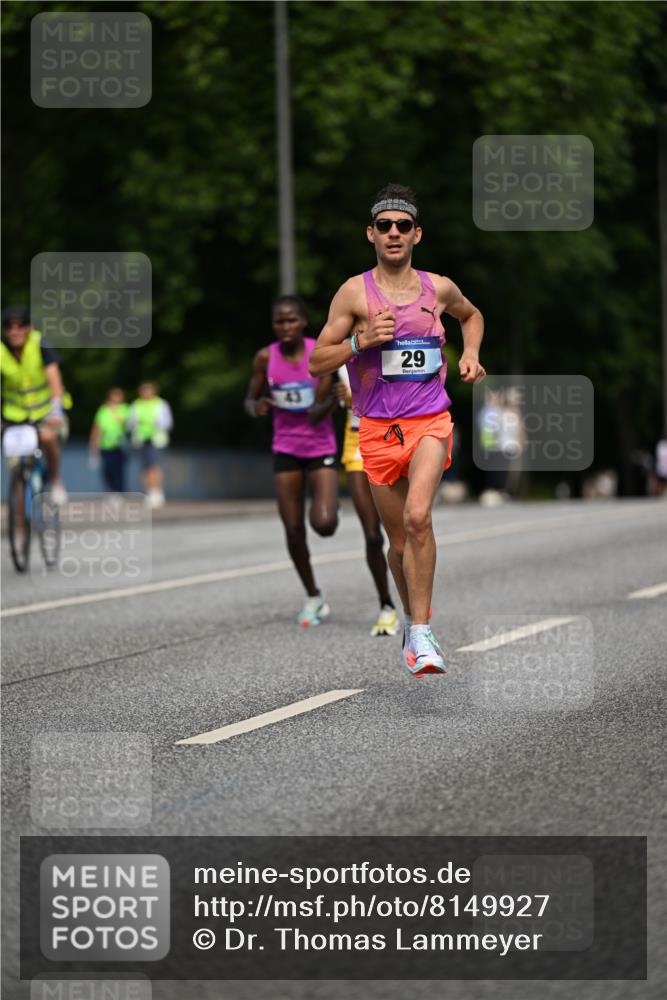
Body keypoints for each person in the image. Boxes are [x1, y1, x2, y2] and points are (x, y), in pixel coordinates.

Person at [309, 183, 486, 676]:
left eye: (402, 226)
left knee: (418, 517)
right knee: (399, 544)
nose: (393, 233)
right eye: (384, 225)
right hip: (377, 429)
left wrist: (471, 353)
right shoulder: (353, 293)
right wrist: (359, 342)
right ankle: (411, 620)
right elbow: (317, 361)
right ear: (371, 234)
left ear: (416, 234)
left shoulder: (439, 288)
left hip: (430, 419)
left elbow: (472, 316)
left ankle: (423, 632)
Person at [245, 294, 339, 626]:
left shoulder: (320, 354)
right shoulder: (264, 357)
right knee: (293, 528)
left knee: (324, 524)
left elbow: (316, 413)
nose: (285, 326)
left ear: (303, 322)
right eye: (279, 321)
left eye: (291, 320)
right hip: (285, 447)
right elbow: (250, 399)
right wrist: (257, 406)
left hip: (320, 446)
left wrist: (332, 401)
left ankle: (329, 507)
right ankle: (313, 596)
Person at [336, 362, 398, 636]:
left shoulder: (393, 347)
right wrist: (338, 398)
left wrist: (362, 394)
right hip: (356, 440)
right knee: (372, 534)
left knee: (402, 532)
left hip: (391, 436)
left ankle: (415, 601)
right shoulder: (343, 355)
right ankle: (386, 605)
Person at [1, 304, 71, 504]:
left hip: (46, 411)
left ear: (29, 327)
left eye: (20, 326)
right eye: (9, 326)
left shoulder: (40, 343)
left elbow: (54, 379)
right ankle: (20, 517)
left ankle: (55, 480)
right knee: (16, 467)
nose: (15, 331)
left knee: (47, 436)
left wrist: (56, 410)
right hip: (14, 415)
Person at [127, 381, 173, 509]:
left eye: (148, 390)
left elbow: (168, 423)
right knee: (145, 467)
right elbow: (130, 423)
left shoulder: (161, 404)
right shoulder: (136, 404)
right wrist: (136, 424)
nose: (146, 393)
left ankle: (156, 491)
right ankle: (149, 491)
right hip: (141, 439)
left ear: (154, 392)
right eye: (144, 391)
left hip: (156, 439)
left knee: (154, 466)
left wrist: (157, 423)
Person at [89, 387, 129, 496]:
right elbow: (97, 427)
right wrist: (93, 443)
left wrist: (114, 410)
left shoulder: (125, 408)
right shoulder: (103, 410)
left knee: (118, 468)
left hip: (120, 444)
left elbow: (125, 422)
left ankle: (118, 491)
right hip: (105, 444)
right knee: (107, 468)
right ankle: (110, 490)